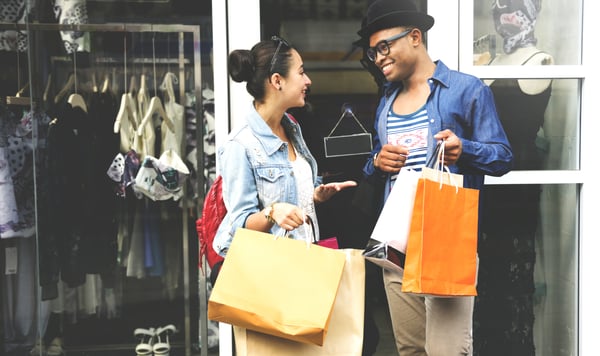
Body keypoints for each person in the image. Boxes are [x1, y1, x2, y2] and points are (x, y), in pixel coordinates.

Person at [355, 0, 514, 355]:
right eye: (372, 53)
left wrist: (465, 150)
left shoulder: (467, 89)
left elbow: (503, 157)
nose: (378, 58)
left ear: (414, 37)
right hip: (396, 246)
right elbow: (375, 163)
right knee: (410, 350)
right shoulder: (386, 101)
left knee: (447, 350)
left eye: (384, 47)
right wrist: (377, 162)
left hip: (445, 241)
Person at [212, 36, 356, 258]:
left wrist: (314, 196)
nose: (307, 80)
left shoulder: (292, 129)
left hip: (305, 259)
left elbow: (290, 194)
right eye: (300, 72)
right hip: (271, 270)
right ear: (277, 81)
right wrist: (272, 212)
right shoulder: (240, 146)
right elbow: (239, 225)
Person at [475, 1, 553, 355]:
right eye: (497, 6)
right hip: (486, 181)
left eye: (511, 6)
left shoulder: (540, 61)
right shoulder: (490, 61)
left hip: (519, 182)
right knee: (486, 273)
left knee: (515, 275)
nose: (501, 12)